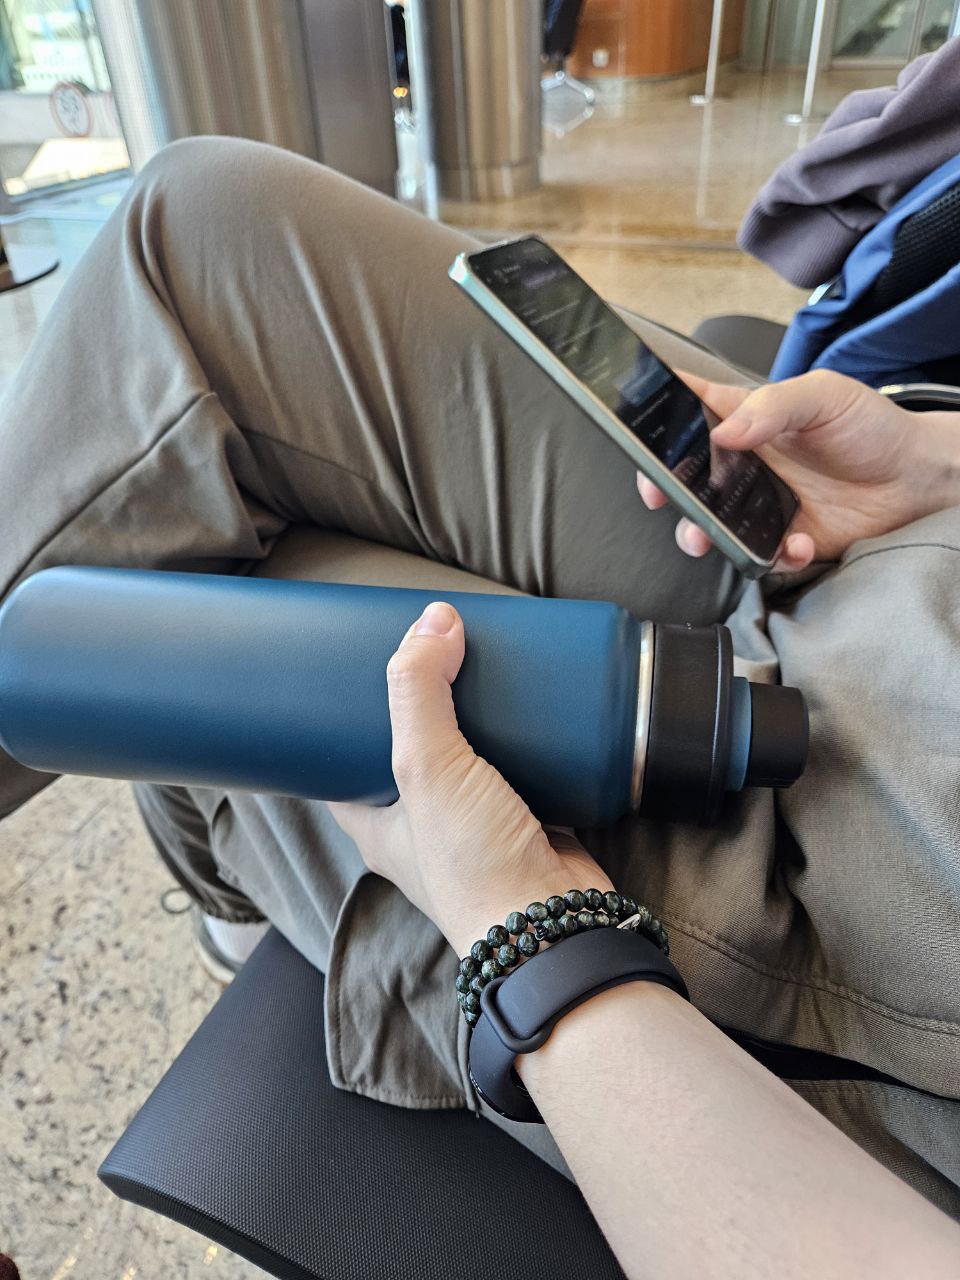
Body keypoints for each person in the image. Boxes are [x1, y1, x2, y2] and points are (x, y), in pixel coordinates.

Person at [2, 138, 959, 1275]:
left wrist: (529, 927)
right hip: (897, 571)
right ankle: (238, 891)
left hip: (850, 883)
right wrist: (937, 460)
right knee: (195, 231)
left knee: (165, 622)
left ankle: (238, 894)